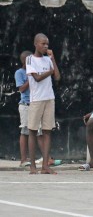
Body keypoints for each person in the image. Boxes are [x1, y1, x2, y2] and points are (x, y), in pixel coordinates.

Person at [15, 51, 62, 168]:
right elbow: (21, 88)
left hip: (43, 100)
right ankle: (23, 159)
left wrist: (51, 62)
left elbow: (56, 76)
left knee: (42, 131)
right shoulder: (20, 72)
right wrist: (31, 78)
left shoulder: (45, 61)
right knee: (26, 130)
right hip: (27, 104)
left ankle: (46, 159)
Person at [26, 33, 61, 174]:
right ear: (36, 44)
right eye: (43, 43)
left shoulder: (48, 60)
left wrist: (53, 60)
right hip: (36, 100)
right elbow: (37, 78)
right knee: (33, 131)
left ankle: (45, 166)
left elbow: (57, 77)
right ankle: (33, 166)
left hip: (49, 98)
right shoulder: (30, 59)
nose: (46, 46)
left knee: (47, 131)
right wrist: (50, 71)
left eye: (47, 44)